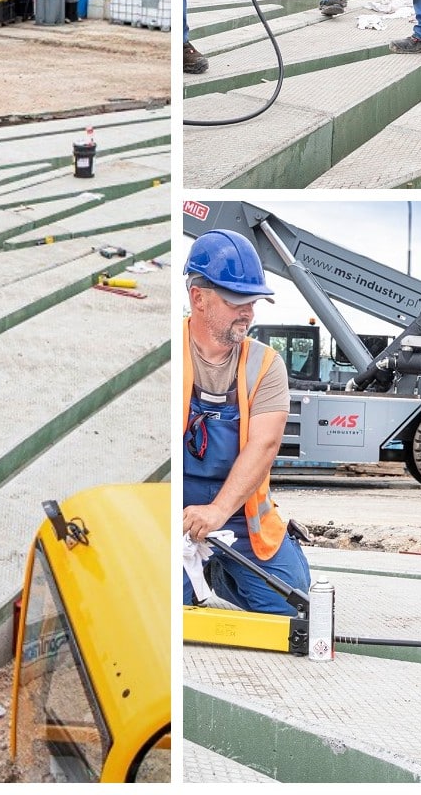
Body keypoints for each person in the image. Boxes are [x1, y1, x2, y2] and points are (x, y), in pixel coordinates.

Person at [182, 229, 311, 615]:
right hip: (170, 512)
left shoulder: (265, 364)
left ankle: (224, 570)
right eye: (236, 300)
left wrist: (219, 511)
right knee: (169, 614)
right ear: (198, 298)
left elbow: (264, 445)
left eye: (253, 301)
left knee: (295, 610)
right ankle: (204, 569)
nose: (248, 312)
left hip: (238, 514)